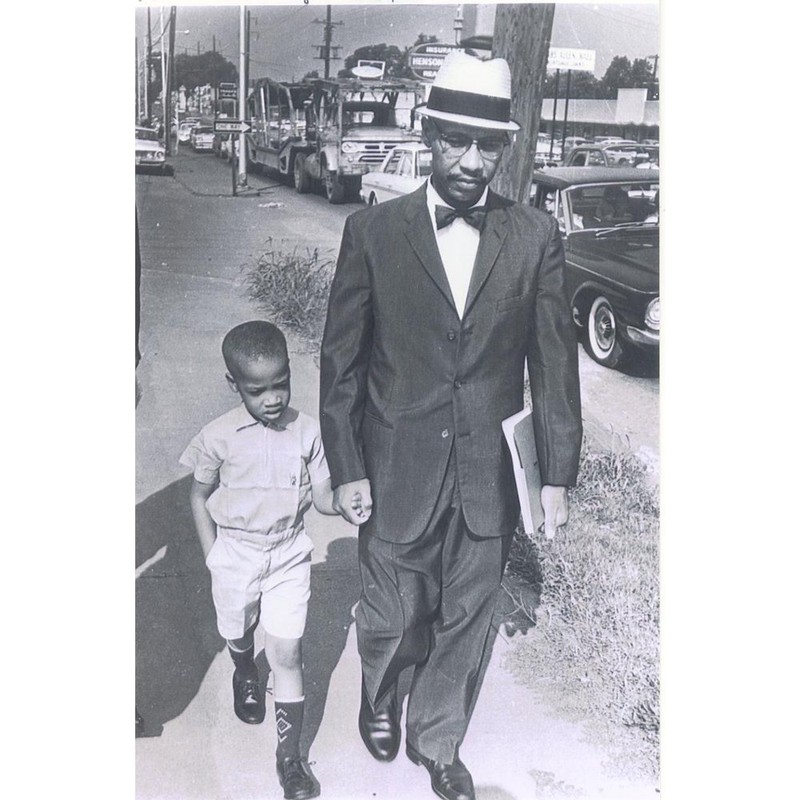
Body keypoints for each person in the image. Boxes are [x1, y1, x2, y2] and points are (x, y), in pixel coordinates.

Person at [319, 52, 583, 800]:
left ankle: (437, 739)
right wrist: (347, 467)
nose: (471, 162)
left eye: (488, 145)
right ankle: (381, 691)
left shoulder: (533, 237)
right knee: (393, 605)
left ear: (506, 147)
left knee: (467, 615)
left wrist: (556, 475)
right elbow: (341, 363)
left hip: (488, 472)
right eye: (455, 141)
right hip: (394, 459)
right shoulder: (372, 231)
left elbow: (553, 364)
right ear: (428, 134)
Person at [181, 320, 341, 800]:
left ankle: (289, 759)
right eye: (257, 390)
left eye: (280, 384)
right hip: (235, 552)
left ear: (290, 372)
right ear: (234, 385)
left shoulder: (307, 432)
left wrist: (346, 503)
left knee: (288, 651)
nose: (272, 398)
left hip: (289, 553)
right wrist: (213, 556)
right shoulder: (218, 436)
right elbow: (198, 494)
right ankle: (244, 670)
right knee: (236, 628)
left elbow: (325, 495)